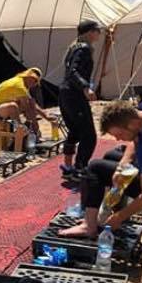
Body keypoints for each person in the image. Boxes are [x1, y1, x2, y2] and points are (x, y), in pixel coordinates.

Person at [59, 100, 142, 238]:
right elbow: (135, 140)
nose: (118, 139)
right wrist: (122, 166)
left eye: (119, 134)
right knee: (111, 156)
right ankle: (102, 214)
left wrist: (119, 218)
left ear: (131, 124)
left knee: (95, 168)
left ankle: (89, 226)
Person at [59, 20, 101, 176]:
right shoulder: (83, 48)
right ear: (90, 32)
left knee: (75, 130)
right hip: (74, 94)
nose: (99, 34)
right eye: (98, 31)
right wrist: (85, 87)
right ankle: (79, 169)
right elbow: (73, 72)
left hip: (66, 93)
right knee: (89, 136)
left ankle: (68, 166)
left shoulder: (74, 48)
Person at [0, 67, 55, 138]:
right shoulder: (19, 86)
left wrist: (46, 116)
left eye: (36, 82)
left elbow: (32, 104)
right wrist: (35, 125)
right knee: (13, 106)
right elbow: (27, 108)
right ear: (29, 77)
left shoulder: (21, 82)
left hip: (3, 106)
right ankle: (20, 130)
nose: (34, 84)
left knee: (31, 102)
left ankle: (29, 129)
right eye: (35, 81)